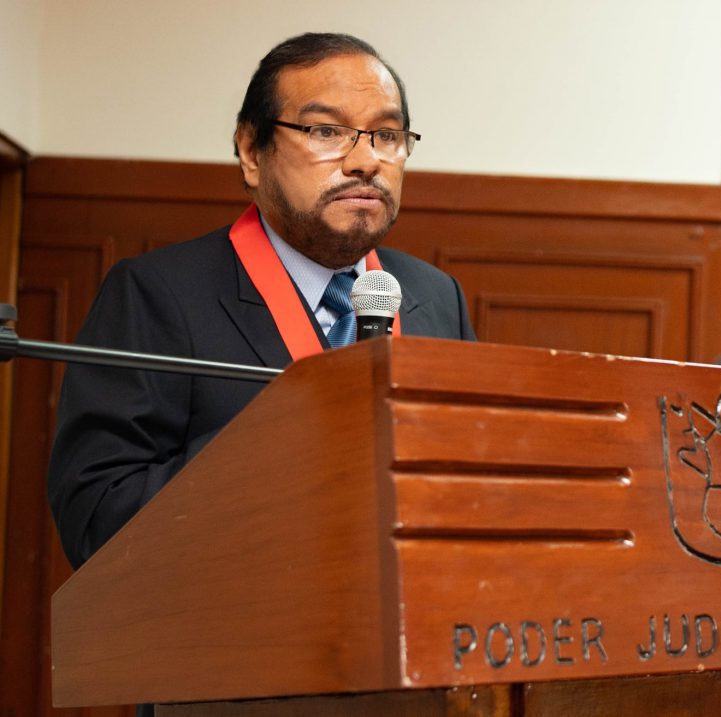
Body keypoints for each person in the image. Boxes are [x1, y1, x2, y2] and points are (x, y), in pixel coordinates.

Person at [47, 33, 475, 572]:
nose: (366, 161)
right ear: (252, 152)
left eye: (387, 135)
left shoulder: (436, 296)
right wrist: (291, 437)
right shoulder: (157, 294)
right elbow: (95, 520)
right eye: (326, 131)